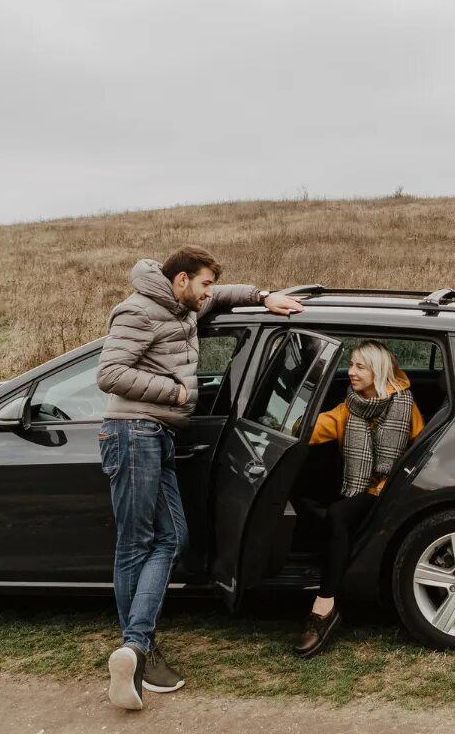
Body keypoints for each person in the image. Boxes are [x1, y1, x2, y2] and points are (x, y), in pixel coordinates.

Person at [96, 245, 304, 710]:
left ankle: (134, 647)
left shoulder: (182, 303)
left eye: (211, 284)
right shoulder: (137, 311)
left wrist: (263, 296)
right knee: (136, 542)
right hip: (132, 432)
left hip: (157, 433)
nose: (209, 292)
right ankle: (139, 649)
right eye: (204, 283)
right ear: (181, 280)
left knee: (173, 539)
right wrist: (176, 391)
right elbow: (108, 372)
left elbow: (223, 297)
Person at [293, 341, 425, 658]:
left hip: (395, 492)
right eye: (351, 365)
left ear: (377, 370)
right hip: (360, 490)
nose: (350, 372)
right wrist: (288, 419)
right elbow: (307, 430)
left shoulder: (405, 406)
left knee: (336, 515)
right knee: (312, 502)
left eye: (359, 367)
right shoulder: (347, 409)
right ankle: (321, 521)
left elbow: (422, 451)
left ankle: (324, 607)